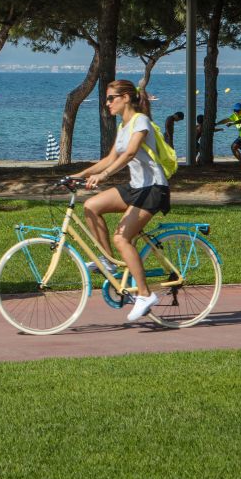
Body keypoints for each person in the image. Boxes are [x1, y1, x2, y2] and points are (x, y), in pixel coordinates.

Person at [70, 78, 170, 323]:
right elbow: (111, 156)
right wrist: (81, 174)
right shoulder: (123, 126)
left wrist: (103, 176)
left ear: (126, 98)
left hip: (153, 188)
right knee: (92, 206)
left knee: (122, 238)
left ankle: (145, 295)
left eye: (111, 98)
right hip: (136, 187)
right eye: (106, 99)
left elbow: (130, 153)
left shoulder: (140, 121)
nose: (107, 104)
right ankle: (108, 262)